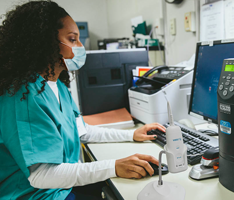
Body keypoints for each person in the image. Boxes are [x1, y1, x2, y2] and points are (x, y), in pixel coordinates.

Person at [0, 1, 166, 199]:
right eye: (72, 39)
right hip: (35, 194)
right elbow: (41, 175)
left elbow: (82, 132)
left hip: (61, 185)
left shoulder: (56, 86)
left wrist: (131, 135)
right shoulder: (25, 96)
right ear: (45, 43)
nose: (80, 47)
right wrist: (114, 166)